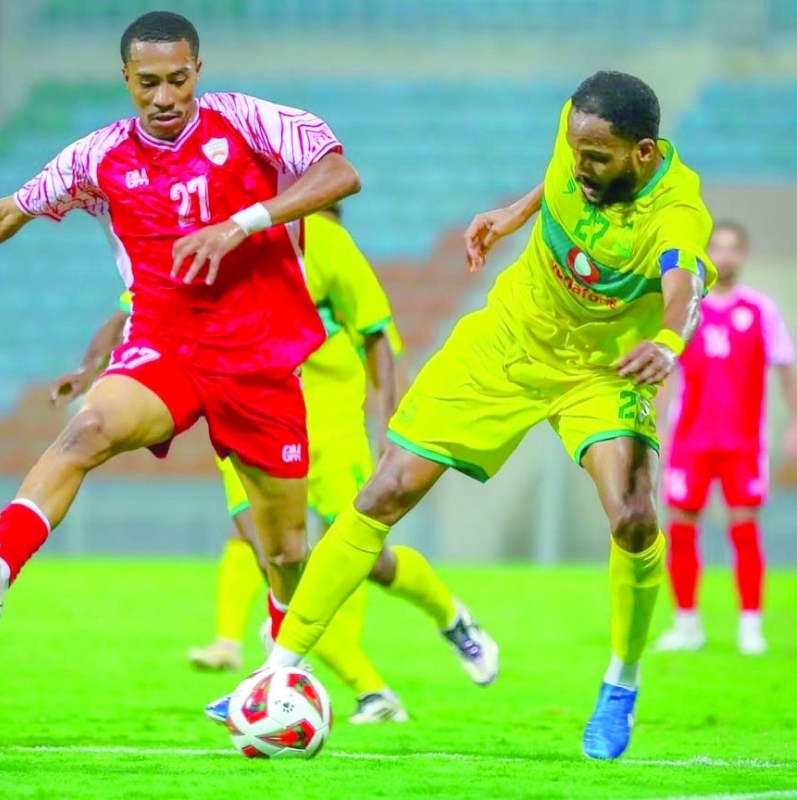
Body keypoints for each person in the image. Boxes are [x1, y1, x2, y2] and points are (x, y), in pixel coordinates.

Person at [221, 70, 717, 761]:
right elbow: (563, 177)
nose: (581, 165)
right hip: (507, 341)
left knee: (634, 516)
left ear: (642, 153)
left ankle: (621, 681)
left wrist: (666, 343)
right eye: (576, 151)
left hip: (602, 371)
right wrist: (516, 212)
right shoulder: (580, 130)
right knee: (387, 488)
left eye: (598, 159)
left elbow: (682, 288)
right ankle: (279, 666)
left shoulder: (679, 213)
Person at [0, 11, 361, 635]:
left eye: (177, 80)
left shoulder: (249, 121)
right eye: (148, 82)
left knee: (285, 551)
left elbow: (340, 173)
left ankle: (283, 665)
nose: (164, 97)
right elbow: (5, 216)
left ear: (198, 71)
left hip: (259, 357)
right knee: (87, 429)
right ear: (125, 78)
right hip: (166, 347)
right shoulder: (99, 157)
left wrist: (239, 224)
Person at [52, 207, 498, 726]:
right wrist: (90, 367)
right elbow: (133, 309)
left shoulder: (322, 238)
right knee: (271, 558)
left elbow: (375, 332)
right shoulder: (206, 233)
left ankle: (451, 619)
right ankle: (354, 689)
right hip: (243, 414)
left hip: (328, 422)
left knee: (366, 560)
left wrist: (389, 423)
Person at [654, 221, 797, 656]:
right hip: (689, 440)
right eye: (717, 247)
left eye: (733, 247)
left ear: (744, 255)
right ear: (706, 254)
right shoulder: (686, 310)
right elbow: (665, 370)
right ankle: (686, 625)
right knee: (681, 530)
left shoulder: (760, 309)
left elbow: (785, 367)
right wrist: (657, 427)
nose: (725, 255)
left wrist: (794, 425)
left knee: (745, 530)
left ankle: (750, 627)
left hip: (742, 443)